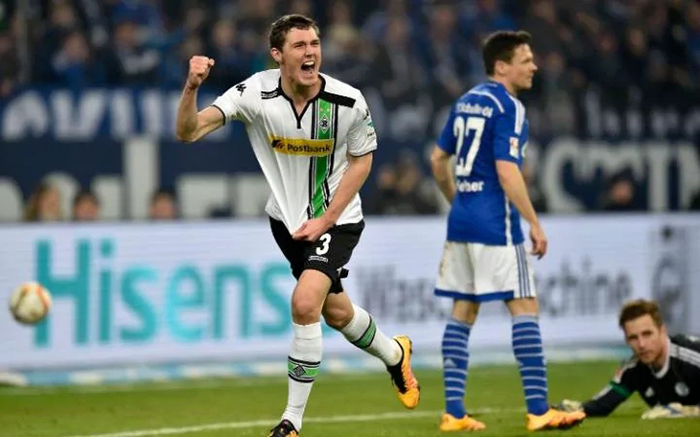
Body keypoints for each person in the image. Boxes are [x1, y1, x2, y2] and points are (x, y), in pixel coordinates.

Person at [175, 14, 419, 437]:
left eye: (315, 44)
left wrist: (327, 218)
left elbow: (362, 161)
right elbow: (189, 132)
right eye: (300, 46)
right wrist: (192, 88)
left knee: (305, 303)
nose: (311, 53)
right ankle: (395, 354)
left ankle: (291, 422)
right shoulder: (255, 92)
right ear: (278, 55)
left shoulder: (348, 101)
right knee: (337, 314)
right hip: (286, 223)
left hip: (337, 219)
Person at [429, 30, 586, 432]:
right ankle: (539, 410)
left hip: (462, 222)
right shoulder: (509, 106)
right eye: (526, 60)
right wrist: (534, 222)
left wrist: (457, 200)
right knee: (525, 307)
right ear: (501, 66)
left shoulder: (465, 101)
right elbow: (507, 171)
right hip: (496, 224)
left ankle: (453, 413)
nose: (534, 66)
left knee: (463, 311)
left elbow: (437, 159)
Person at [559, 299, 700, 419]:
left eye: (647, 334)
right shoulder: (634, 369)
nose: (641, 344)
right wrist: (572, 410)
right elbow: (602, 405)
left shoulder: (690, 357)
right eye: (633, 338)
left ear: (662, 331)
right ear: (626, 340)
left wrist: (689, 411)